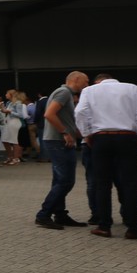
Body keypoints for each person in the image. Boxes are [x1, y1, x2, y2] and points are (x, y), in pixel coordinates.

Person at [75, 72, 137, 239]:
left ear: (98, 81)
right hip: (127, 137)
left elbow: (79, 112)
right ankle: (133, 228)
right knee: (130, 184)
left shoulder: (89, 91)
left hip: (102, 138)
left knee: (102, 184)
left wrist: (87, 134)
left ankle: (104, 226)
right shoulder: (132, 88)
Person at [34, 71, 91, 231]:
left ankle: (60, 214)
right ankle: (43, 215)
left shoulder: (65, 93)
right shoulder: (64, 93)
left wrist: (78, 133)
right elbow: (49, 114)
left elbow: (64, 118)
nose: (87, 85)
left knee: (59, 180)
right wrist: (65, 133)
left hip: (58, 140)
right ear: (76, 79)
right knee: (66, 181)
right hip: (58, 141)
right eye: (86, 81)